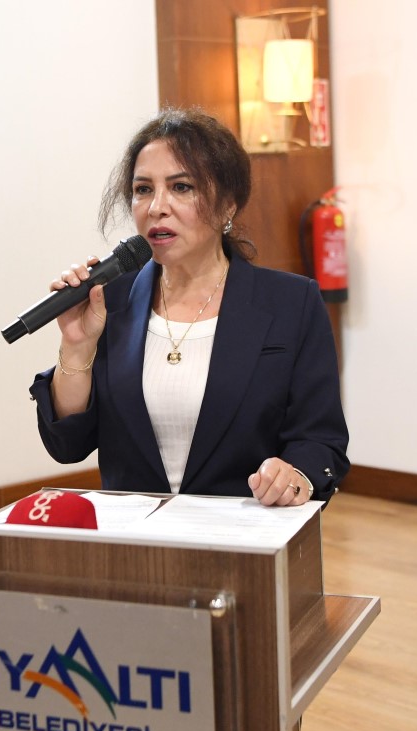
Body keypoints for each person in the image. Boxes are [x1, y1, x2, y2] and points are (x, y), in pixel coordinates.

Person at [29, 107, 348, 505]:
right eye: (143, 189)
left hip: (246, 529)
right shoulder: (109, 301)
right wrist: (77, 346)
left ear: (228, 204)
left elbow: (321, 440)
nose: (156, 207)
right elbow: (69, 445)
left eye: (181, 187)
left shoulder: (291, 302)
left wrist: (294, 475)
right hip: (135, 536)